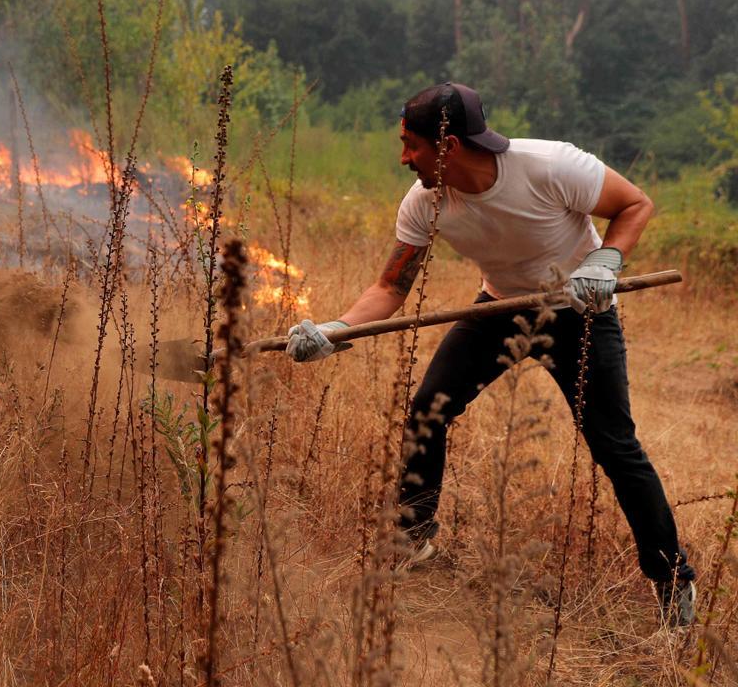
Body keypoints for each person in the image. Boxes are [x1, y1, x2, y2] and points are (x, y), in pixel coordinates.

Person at [285, 82, 696, 627]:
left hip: (579, 310)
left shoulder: (550, 165)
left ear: (448, 146)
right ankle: (412, 537)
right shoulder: (425, 201)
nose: (404, 157)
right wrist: (335, 330)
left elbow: (635, 204)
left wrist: (606, 261)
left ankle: (673, 582)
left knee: (615, 446)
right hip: (499, 310)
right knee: (429, 407)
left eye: (411, 144)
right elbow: (389, 289)